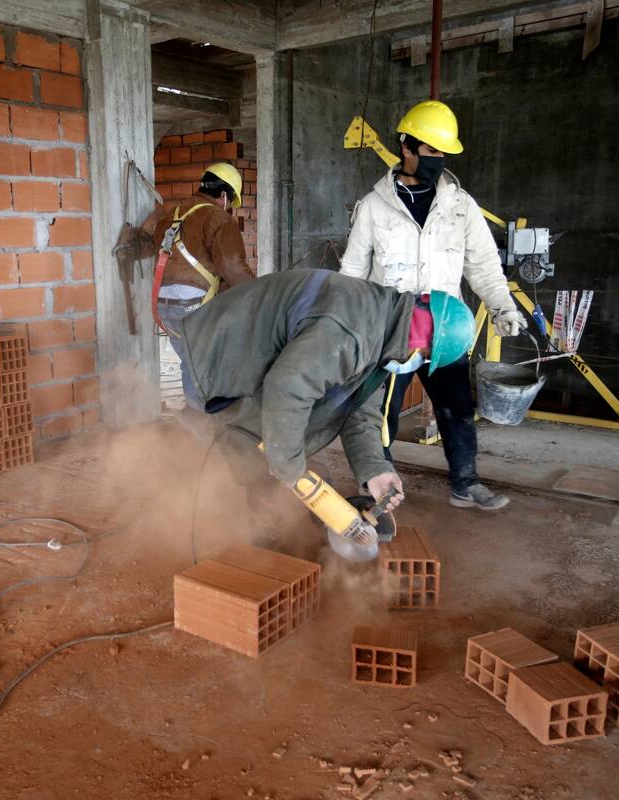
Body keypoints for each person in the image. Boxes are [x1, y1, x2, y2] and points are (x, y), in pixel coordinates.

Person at [178, 268, 475, 531]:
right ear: (423, 338)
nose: (418, 363)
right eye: (424, 357)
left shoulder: (384, 329)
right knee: (258, 442)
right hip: (217, 352)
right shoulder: (353, 331)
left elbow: (361, 410)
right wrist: (292, 473)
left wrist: (375, 469)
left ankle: (269, 519)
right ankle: (181, 476)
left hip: (262, 359)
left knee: (290, 440)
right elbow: (288, 388)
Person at [340, 100, 526, 512]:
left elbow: (483, 265)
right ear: (406, 147)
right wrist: (348, 327)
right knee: (379, 414)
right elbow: (352, 273)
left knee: (457, 408)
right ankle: (380, 486)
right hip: (392, 331)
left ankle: (466, 483)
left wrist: (503, 307)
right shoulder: (373, 207)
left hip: (446, 331)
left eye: (443, 154)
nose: (438, 161)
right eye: (431, 151)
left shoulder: (461, 206)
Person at [140, 163, 255, 407]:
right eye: (230, 202)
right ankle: (205, 423)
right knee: (212, 365)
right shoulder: (218, 218)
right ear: (224, 196)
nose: (229, 209)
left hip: (162, 306)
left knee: (190, 363)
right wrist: (261, 297)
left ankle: (196, 423)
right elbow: (232, 268)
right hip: (194, 306)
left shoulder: (172, 213)